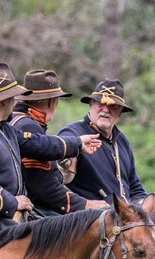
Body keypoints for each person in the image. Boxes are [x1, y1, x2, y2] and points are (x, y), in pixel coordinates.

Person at [0, 62, 101, 232]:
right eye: (12, 97)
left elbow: (38, 143)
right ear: (4, 100)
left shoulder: (3, 128)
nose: (15, 101)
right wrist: (12, 202)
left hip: (4, 212)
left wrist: (78, 143)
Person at [10, 69, 107, 215]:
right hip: (33, 208)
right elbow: (43, 187)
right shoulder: (28, 125)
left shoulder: (17, 120)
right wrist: (85, 204)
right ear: (51, 101)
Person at [58, 79, 147, 203]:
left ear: (120, 112)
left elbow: (135, 187)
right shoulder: (71, 134)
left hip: (126, 219)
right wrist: (65, 165)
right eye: (100, 103)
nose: (105, 110)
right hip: (90, 219)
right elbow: (62, 178)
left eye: (113, 106)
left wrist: (145, 207)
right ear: (90, 104)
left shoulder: (122, 141)